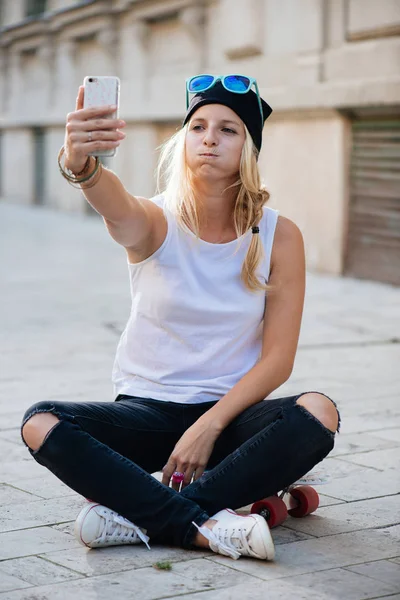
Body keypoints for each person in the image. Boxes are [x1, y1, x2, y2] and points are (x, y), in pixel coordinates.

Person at [21, 74, 340, 562]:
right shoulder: (155, 220)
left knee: (320, 411)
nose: (209, 137)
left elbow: (278, 361)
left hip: (231, 420)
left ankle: (137, 516)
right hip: (147, 413)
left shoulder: (281, 236)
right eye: (198, 126)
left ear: (249, 148)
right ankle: (205, 524)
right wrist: (79, 163)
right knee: (40, 423)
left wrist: (209, 425)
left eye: (228, 129)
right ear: (184, 139)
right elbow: (115, 204)